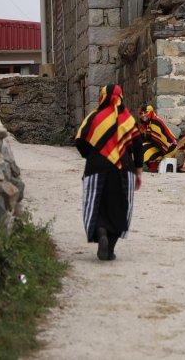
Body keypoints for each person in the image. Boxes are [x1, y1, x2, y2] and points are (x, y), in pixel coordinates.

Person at [75, 84, 145, 261]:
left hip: (96, 167)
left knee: (96, 203)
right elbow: (137, 147)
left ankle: (101, 233)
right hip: (123, 168)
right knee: (119, 207)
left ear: (103, 97)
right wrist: (138, 171)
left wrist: (90, 155)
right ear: (121, 98)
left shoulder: (94, 117)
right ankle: (110, 249)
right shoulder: (128, 120)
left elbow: (80, 140)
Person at [138, 104, 178, 172]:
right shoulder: (145, 125)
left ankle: (153, 168)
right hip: (160, 144)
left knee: (145, 149)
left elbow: (158, 141)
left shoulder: (154, 122)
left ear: (150, 112)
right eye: (141, 113)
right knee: (141, 147)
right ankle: (153, 168)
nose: (143, 115)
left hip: (169, 146)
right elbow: (141, 138)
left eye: (145, 112)